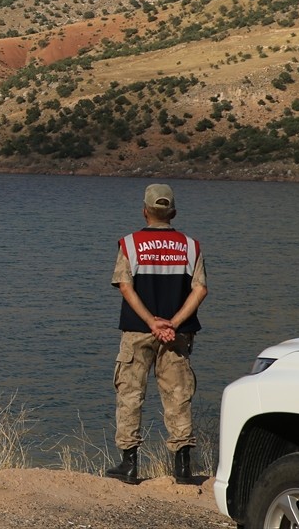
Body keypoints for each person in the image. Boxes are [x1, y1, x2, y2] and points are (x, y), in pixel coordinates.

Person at [105, 183, 207, 486]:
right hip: (177, 334)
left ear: (144, 211)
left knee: (130, 394)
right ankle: (183, 469)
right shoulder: (191, 246)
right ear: (173, 213)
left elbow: (125, 286)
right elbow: (200, 289)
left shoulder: (130, 244)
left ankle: (129, 465)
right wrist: (172, 323)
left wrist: (152, 322)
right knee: (178, 396)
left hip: (138, 330)